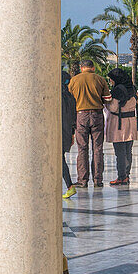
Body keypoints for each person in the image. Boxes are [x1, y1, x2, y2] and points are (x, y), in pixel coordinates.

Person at [68, 59, 110, 188]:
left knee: (82, 148)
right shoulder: (100, 79)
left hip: (81, 115)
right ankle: (98, 180)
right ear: (93, 68)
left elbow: (69, 97)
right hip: (97, 115)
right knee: (97, 148)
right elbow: (108, 99)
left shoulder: (74, 80)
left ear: (81, 68)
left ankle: (82, 180)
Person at [104, 68, 138, 186]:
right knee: (128, 151)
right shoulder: (132, 88)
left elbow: (113, 108)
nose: (110, 81)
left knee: (120, 152)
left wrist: (105, 102)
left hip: (119, 125)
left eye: (111, 79)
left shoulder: (118, 90)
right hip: (131, 123)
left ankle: (121, 177)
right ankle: (126, 176)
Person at [61, 70, 77, 199]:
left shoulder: (58, 96)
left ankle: (70, 186)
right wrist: (72, 134)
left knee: (59, 161)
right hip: (67, 132)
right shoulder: (70, 96)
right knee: (60, 159)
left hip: (58, 131)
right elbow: (73, 117)